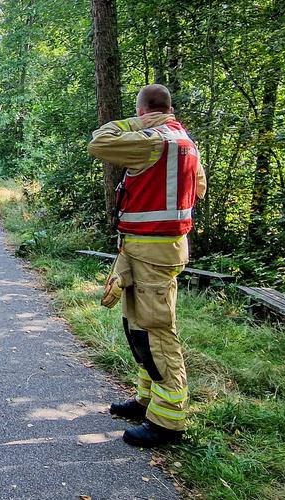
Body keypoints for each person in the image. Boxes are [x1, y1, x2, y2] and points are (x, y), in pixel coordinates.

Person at [88, 84, 206, 447]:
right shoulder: (185, 141)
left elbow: (99, 143)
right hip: (154, 247)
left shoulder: (152, 140)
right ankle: (146, 401)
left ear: (143, 111)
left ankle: (168, 422)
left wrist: (136, 125)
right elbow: (199, 188)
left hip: (152, 251)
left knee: (156, 330)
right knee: (137, 325)